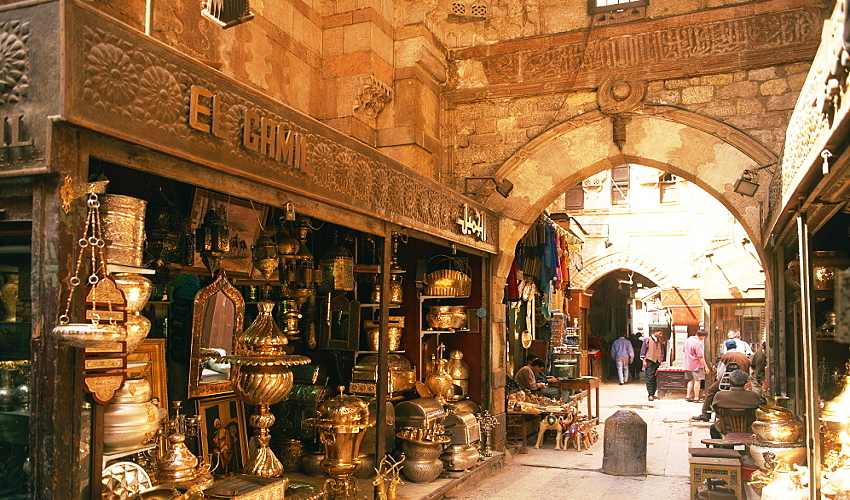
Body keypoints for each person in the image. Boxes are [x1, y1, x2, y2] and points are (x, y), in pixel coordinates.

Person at [692, 339, 752, 422]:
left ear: (727, 347)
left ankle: (705, 414)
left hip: (730, 380)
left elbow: (721, 371)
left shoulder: (726, 356)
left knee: (710, 391)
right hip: (743, 381)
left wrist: (719, 379)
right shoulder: (743, 355)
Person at [709, 369, 761, 439]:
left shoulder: (720, 395)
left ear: (730, 381)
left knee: (714, 428)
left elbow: (716, 411)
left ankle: (722, 449)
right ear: (745, 382)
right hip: (749, 429)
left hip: (726, 429)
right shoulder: (754, 396)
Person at [683, 329, 711, 402]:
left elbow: (683, 350)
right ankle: (696, 397)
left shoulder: (688, 340)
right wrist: (706, 367)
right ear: (702, 336)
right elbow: (700, 356)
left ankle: (688, 395)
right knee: (697, 381)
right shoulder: (697, 343)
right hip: (696, 365)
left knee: (691, 380)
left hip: (688, 364)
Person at [640, 329, 667, 401]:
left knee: (656, 377)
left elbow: (661, 351)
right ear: (655, 332)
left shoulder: (659, 341)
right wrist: (644, 360)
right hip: (650, 360)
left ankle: (654, 392)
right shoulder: (647, 340)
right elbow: (643, 351)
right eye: (660, 333)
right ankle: (650, 394)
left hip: (657, 361)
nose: (661, 335)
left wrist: (661, 359)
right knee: (649, 377)